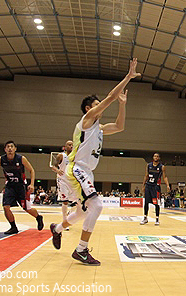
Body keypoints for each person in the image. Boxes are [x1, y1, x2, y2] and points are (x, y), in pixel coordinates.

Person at [50, 58, 140, 265]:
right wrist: (128, 77)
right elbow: (110, 96)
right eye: (98, 104)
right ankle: (81, 250)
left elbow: (119, 126)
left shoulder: (98, 128)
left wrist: (122, 105)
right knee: (97, 206)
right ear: (89, 108)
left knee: (83, 211)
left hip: (87, 172)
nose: (102, 106)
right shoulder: (87, 120)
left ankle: (56, 228)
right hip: (77, 169)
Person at [0, 141, 43, 234]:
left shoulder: (21, 158)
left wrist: (32, 184)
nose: (10, 148)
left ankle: (38, 217)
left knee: (27, 208)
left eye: (11, 146)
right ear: (5, 149)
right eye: (8, 147)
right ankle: (13, 227)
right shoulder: (1, 159)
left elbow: (31, 170)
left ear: (15, 149)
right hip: (10, 185)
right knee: (6, 207)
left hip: (21, 186)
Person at [140, 153, 170, 225]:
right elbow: (146, 175)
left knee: (156, 203)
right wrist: (143, 185)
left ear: (159, 158)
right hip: (148, 185)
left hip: (155, 187)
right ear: (153, 157)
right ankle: (145, 218)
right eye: (154, 156)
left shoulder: (162, 167)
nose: (156, 157)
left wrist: (168, 185)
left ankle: (157, 219)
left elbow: (164, 177)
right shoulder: (148, 165)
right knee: (146, 202)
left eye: (157, 156)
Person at [51, 140, 73, 231]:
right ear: (65, 146)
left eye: (72, 145)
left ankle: (68, 214)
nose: (71, 146)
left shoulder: (74, 157)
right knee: (65, 201)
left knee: (76, 203)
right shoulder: (61, 156)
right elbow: (53, 166)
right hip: (62, 181)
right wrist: (58, 170)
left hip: (71, 181)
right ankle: (65, 222)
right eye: (69, 145)